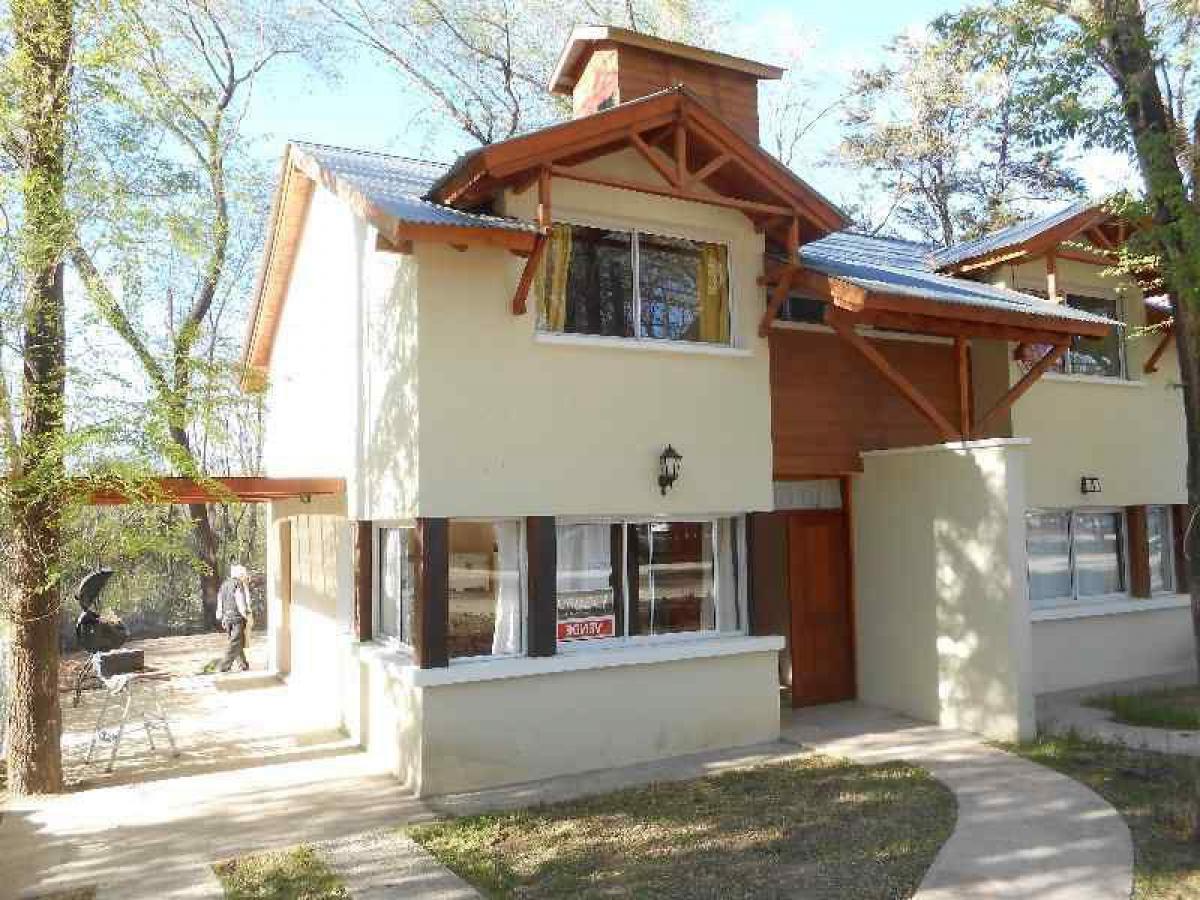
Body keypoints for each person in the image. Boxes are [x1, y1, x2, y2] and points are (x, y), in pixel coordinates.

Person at [217, 564, 252, 673]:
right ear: (240, 575)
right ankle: (224, 666)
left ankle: (243, 664)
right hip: (237, 617)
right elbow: (240, 601)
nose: (245, 577)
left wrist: (221, 616)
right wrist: (245, 615)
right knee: (235, 642)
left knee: (237, 641)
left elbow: (220, 601)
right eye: (244, 575)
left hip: (227, 618)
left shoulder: (224, 585)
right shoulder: (238, 584)